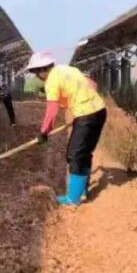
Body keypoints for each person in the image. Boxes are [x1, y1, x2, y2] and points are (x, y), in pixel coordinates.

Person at [26, 52, 107, 206]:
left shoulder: (51, 81)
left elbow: (52, 110)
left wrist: (44, 132)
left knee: (74, 155)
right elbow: (93, 85)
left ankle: (73, 199)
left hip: (85, 114)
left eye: (36, 72)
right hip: (100, 111)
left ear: (42, 70)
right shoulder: (69, 69)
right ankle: (82, 191)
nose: (37, 76)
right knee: (85, 152)